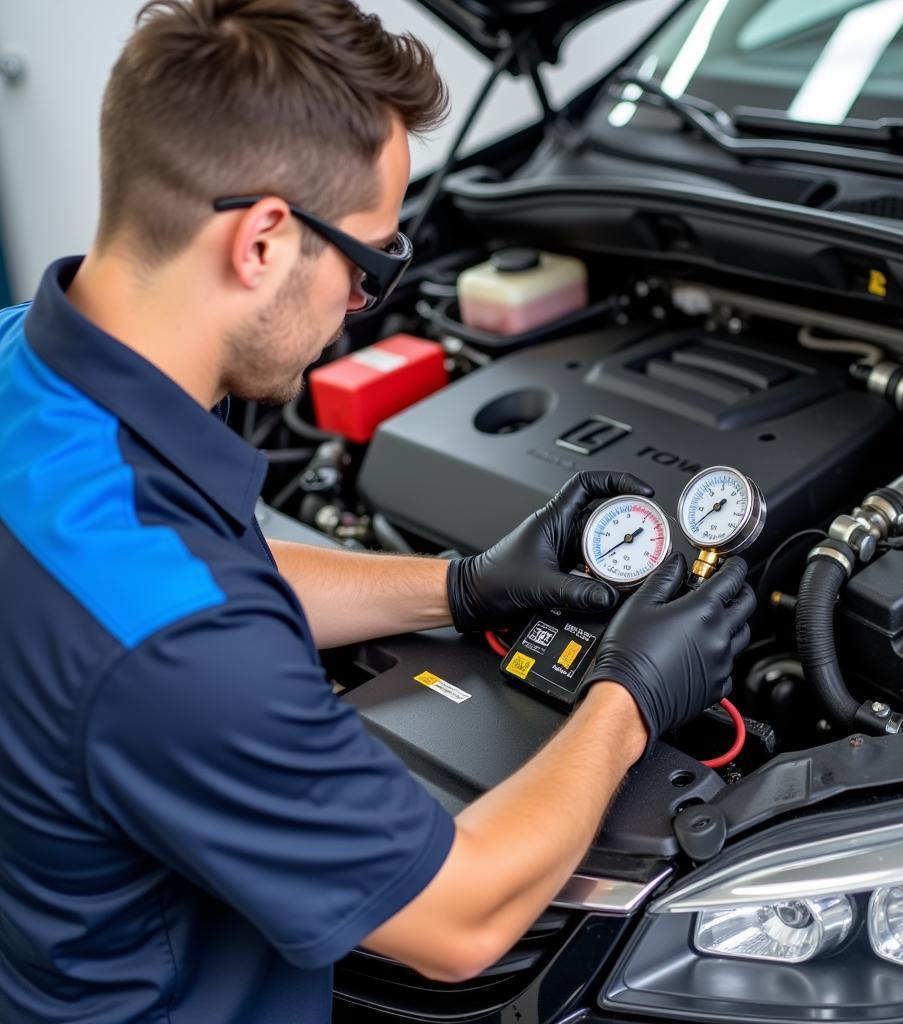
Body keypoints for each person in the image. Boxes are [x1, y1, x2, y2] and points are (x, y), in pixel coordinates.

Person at [0, 1, 755, 1021]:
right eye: (370, 262)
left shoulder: (24, 367)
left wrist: (459, 586)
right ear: (263, 240)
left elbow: (201, 573)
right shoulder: (178, 649)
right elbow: (462, 920)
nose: (365, 300)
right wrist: (629, 695)